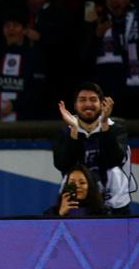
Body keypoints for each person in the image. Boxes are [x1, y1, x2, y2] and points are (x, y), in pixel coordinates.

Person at [53, 82, 133, 215]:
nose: (88, 104)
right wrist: (74, 130)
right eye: (82, 100)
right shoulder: (65, 132)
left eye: (93, 100)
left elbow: (114, 160)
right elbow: (63, 165)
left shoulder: (116, 129)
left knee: (114, 172)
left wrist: (104, 126)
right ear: (75, 105)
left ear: (102, 104)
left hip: (112, 201)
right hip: (76, 200)